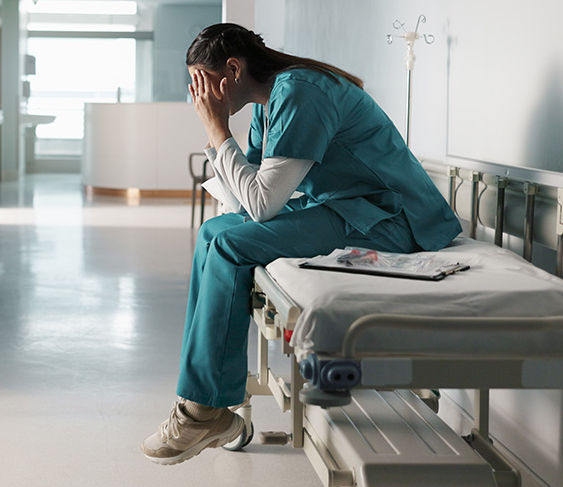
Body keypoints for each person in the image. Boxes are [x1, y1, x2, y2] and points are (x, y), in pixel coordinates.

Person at [141, 23, 461, 465]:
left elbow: (262, 205)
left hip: (395, 220)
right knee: (215, 232)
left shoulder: (300, 92)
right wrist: (219, 137)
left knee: (233, 245)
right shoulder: (266, 103)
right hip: (351, 208)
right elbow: (242, 201)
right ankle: (205, 401)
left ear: (231, 70)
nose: (198, 97)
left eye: (201, 83)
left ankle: (201, 409)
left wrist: (217, 130)